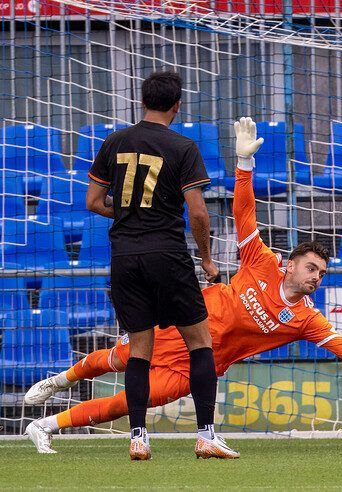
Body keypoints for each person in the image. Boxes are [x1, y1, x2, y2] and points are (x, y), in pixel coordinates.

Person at [23, 117, 342, 455]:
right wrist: (243, 164)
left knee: (130, 402)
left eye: (321, 274)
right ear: (290, 264)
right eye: (311, 267)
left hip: (200, 366)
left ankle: (44, 426)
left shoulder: (306, 320)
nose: (316, 277)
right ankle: (60, 381)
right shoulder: (261, 261)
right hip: (185, 326)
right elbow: (244, 212)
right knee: (116, 359)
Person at [25, 71, 229, 461]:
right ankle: (206, 436)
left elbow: (93, 201)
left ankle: (138, 438)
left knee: (139, 350)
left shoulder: (115, 141)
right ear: (177, 104)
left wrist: (128, 212)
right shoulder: (183, 147)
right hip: (166, 253)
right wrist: (205, 258)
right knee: (200, 343)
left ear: (143, 101)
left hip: (125, 257)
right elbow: (198, 212)